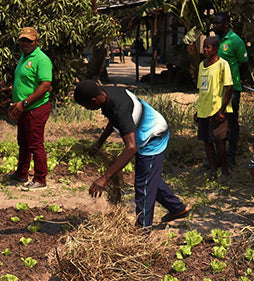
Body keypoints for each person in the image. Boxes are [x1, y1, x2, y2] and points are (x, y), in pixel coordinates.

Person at [73, 80, 191, 227]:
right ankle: (178, 208)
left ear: (93, 101)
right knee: (149, 176)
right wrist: (98, 143)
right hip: (146, 133)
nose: (87, 109)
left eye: (86, 106)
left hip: (153, 136)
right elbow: (114, 121)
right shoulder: (106, 94)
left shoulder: (118, 107)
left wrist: (105, 178)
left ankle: (142, 231)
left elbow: (131, 148)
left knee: (144, 185)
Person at [8, 27, 52, 190]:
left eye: (28, 40)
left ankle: (40, 178)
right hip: (23, 108)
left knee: (35, 143)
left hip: (36, 108)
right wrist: (16, 104)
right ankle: (21, 173)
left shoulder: (41, 59)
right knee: (23, 142)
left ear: (36, 42)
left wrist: (24, 103)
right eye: (22, 40)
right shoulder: (23, 57)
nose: (24, 43)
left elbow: (45, 85)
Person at [211, 13, 251, 163]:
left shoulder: (235, 41)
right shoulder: (214, 40)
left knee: (232, 121)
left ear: (226, 24)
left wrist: (236, 80)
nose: (215, 26)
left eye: (218, 23)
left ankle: (231, 155)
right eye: (214, 23)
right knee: (215, 120)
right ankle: (216, 156)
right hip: (215, 89)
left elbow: (244, 63)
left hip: (232, 89)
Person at [195, 36, 233, 178]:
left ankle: (224, 171)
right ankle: (212, 169)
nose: (205, 49)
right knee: (206, 141)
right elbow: (201, 90)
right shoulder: (201, 65)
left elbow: (229, 87)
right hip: (204, 110)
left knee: (219, 141)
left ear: (216, 49)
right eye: (204, 47)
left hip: (217, 110)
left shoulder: (223, 65)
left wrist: (222, 110)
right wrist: (198, 110)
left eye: (208, 47)